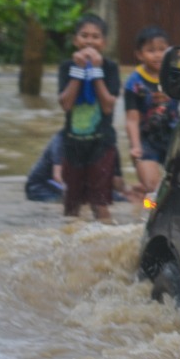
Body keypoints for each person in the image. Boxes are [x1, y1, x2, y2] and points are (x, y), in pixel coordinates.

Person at [57, 13, 121, 221]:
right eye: (84, 36)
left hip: (101, 145)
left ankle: (107, 245)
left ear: (104, 42)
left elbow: (108, 106)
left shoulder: (110, 68)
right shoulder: (67, 68)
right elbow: (66, 104)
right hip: (73, 144)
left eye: (95, 36)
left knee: (99, 203)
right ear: (75, 40)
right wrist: (78, 70)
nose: (90, 41)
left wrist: (95, 72)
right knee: (71, 206)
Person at [123, 26, 179, 196]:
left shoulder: (177, 76)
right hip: (146, 140)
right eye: (151, 50)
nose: (157, 55)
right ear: (139, 55)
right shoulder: (134, 83)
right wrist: (135, 146)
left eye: (162, 50)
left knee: (179, 186)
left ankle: (135, 196)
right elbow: (131, 119)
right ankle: (146, 212)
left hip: (173, 137)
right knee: (151, 189)